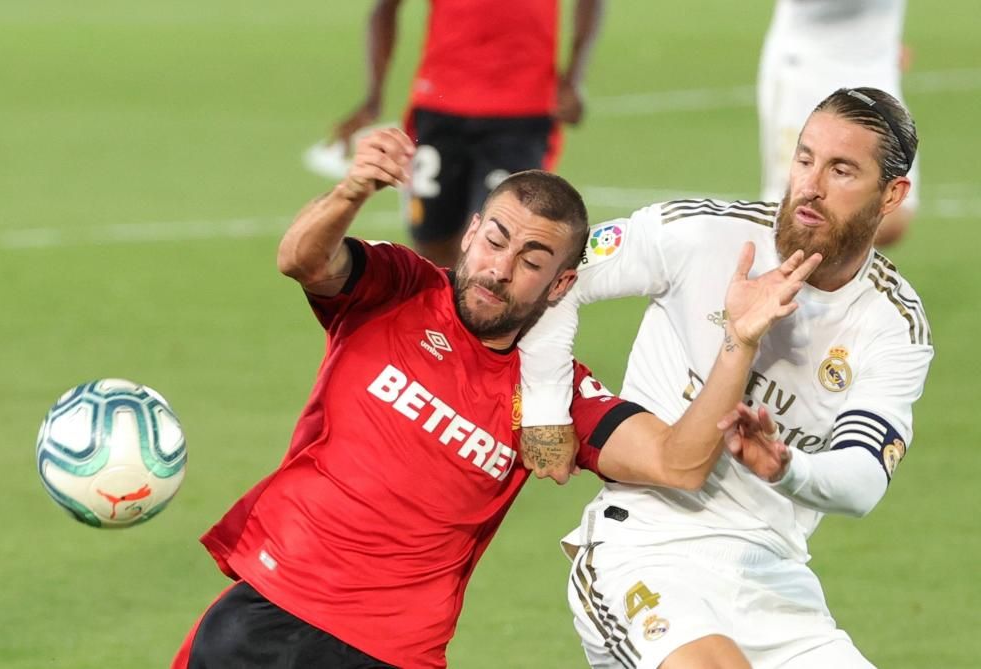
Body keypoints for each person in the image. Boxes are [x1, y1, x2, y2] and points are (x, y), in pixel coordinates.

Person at [169, 127, 820, 669]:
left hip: (389, 650)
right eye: (496, 240)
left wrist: (737, 341)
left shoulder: (555, 390)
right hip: (265, 604)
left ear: (562, 282)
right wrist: (354, 188)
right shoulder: (397, 287)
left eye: (532, 260)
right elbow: (302, 260)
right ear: (471, 231)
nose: (501, 268)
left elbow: (679, 462)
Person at [521, 87, 933, 667]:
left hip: (775, 582)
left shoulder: (891, 324)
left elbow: (863, 477)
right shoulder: (700, 235)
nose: (810, 185)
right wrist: (542, 406)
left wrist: (790, 468)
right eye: (805, 157)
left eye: (842, 170)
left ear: (892, 194)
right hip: (646, 549)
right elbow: (546, 278)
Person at [333, 0, 605, 268]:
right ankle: (440, 313)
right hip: (439, 108)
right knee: (431, 245)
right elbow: (385, 9)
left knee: (497, 244)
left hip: (520, 112)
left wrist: (574, 79)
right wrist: (374, 96)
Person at [758, 0, 918, 246]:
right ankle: (770, 277)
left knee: (891, 215)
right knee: (799, 212)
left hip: (874, 63)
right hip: (809, 71)